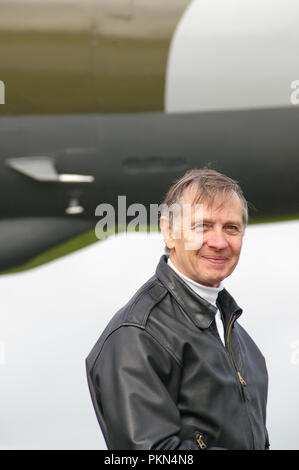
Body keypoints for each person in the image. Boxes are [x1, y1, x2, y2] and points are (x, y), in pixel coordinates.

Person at [85, 168, 269, 450]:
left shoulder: (243, 343)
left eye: (231, 228)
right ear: (169, 232)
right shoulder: (138, 334)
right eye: (202, 227)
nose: (219, 243)